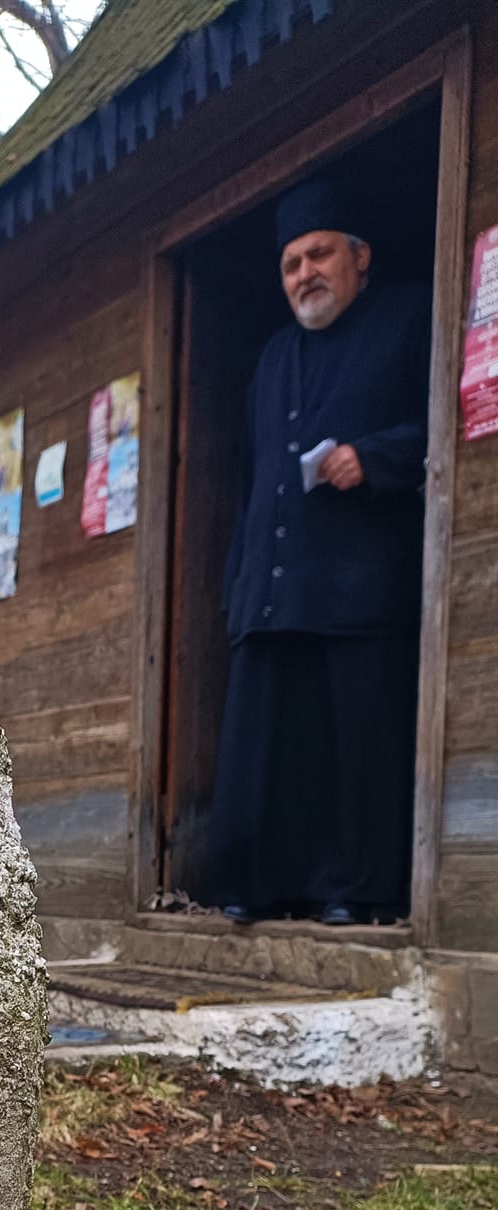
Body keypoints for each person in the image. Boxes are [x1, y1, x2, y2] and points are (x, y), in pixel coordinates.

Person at [209, 175, 430, 925]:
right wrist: (239, 589)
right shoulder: (273, 356)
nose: (305, 273)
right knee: (269, 752)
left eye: (319, 255)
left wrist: (375, 457)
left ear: (359, 257)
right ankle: (259, 886)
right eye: (291, 263)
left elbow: (449, 418)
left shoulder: (408, 317)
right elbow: (252, 479)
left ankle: (354, 892)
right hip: (273, 589)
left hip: (360, 584)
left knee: (353, 750)